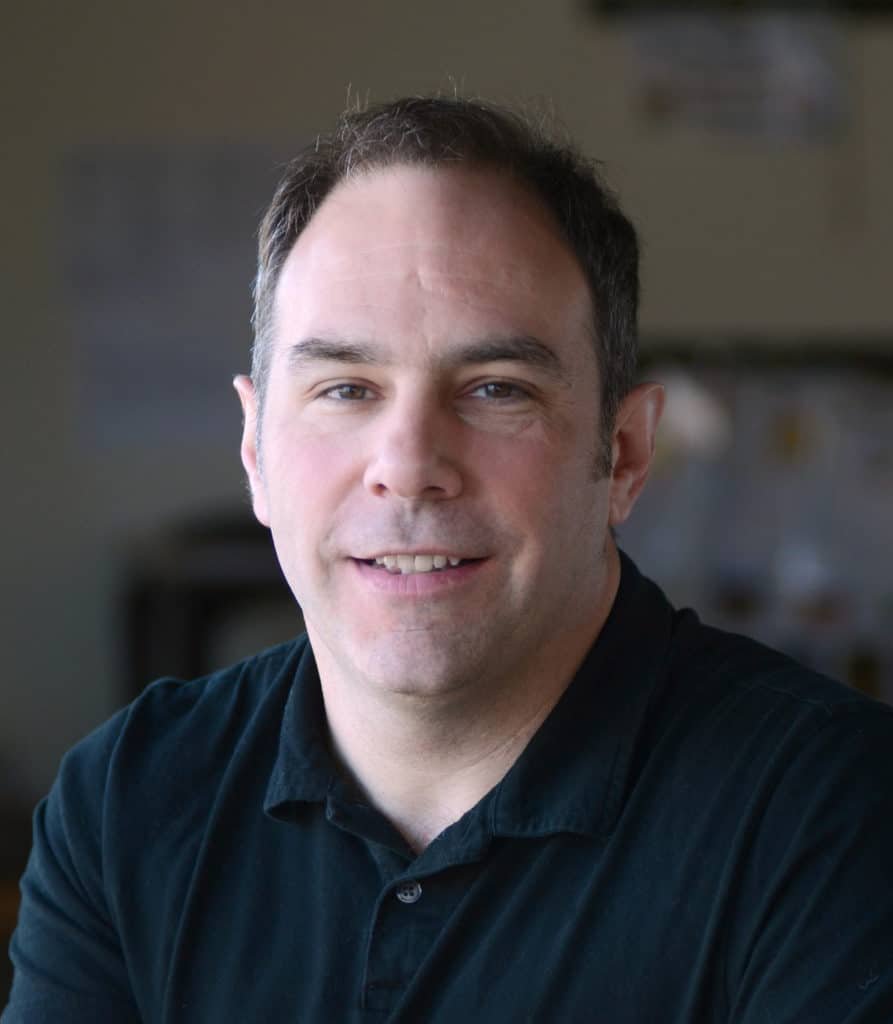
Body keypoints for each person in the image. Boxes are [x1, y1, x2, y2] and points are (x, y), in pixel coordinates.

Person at [4, 97, 892, 1023]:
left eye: (495, 389)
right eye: (345, 388)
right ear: (255, 451)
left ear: (625, 454)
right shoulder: (128, 802)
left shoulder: (832, 812)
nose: (408, 465)